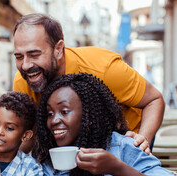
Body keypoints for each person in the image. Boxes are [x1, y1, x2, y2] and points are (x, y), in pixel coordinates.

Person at [13, 13, 165, 154]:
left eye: (34, 54)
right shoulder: (23, 80)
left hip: (127, 144)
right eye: (19, 57)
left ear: (58, 49)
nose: (25, 65)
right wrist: (4, 158)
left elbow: (154, 100)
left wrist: (143, 139)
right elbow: (30, 134)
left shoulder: (103, 69)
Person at [33, 73, 177, 176]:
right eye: (50, 113)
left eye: (64, 111)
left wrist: (117, 169)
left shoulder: (124, 148)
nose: (54, 120)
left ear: (89, 115)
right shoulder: (50, 160)